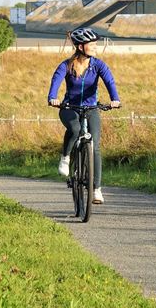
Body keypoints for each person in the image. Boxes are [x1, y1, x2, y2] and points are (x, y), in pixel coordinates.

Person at [48, 27, 120, 204]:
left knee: (94, 146)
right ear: (80, 46)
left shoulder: (98, 65)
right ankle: (65, 157)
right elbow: (56, 80)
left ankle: (96, 189)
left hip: (91, 108)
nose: (95, 47)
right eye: (92, 44)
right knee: (75, 128)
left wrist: (115, 99)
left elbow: (109, 80)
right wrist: (53, 97)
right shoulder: (66, 65)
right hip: (69, 107)